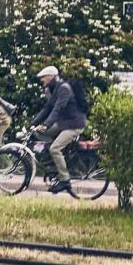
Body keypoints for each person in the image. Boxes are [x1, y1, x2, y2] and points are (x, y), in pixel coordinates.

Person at [31, 65, 86, 195]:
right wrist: (33, 123)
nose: (41, 80)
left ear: (51, 77)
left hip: (74, 125)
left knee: (54, 149)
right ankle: (53, 163)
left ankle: (65, 180)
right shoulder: (56, 89)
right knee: (39, 132)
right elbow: (47, 108)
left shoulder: (64, 88)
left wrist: (46, 124)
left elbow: (58, 109)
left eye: (43, 77)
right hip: (64, 123)